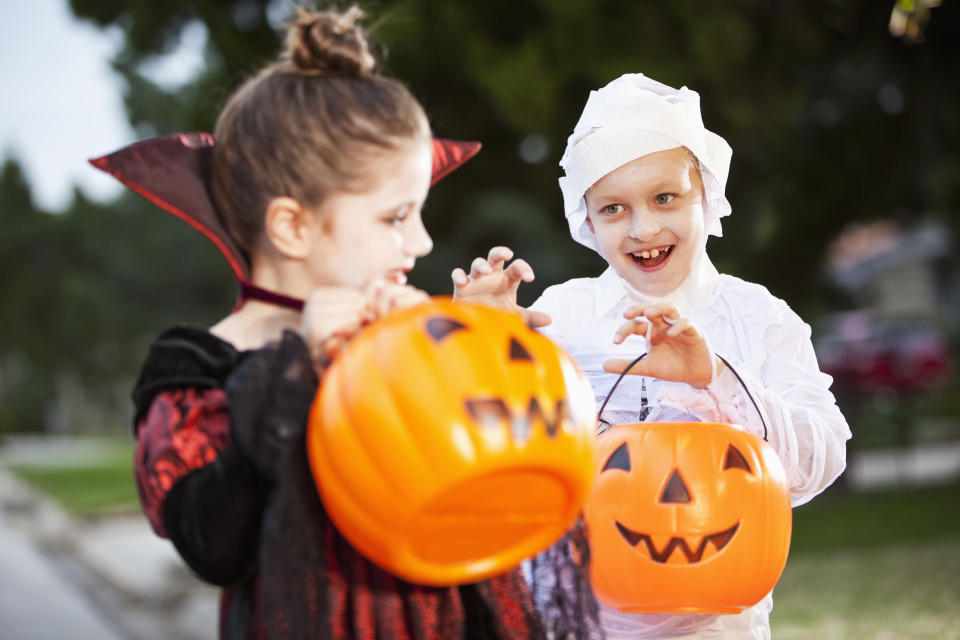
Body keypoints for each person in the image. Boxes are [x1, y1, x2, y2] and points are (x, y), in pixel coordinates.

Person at [123, 7, 588, 639]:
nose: (421, 242)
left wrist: (471, 346)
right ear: (292, 225)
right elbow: (211, 544)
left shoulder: (400, 329)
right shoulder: (198, 366)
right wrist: (294, 374)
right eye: (396, 217)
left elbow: (484, 483)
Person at [452, 73, 852, 639]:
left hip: (720, 627)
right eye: (614, 208)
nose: (643, 228)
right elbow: (489, 465)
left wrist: (715, 379)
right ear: (587, 220)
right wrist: (483, 349)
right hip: (574, 622)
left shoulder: (759, 317)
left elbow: (820, 460)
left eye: (665, 197)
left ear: (707, 195)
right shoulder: (561, 317)